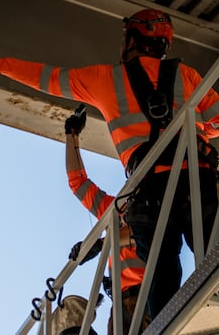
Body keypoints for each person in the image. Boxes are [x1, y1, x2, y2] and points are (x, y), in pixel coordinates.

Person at [0, 8, 219, 319]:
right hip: (196, 178)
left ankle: (170, 323)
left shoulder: (104, 79)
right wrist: (197, 133)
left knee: (161, 276)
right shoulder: (187, 76)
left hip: (149, 189)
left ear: (133, 40)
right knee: (216, 259)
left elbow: (49, 79)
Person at [63, 105, 149, 334]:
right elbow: (78, 183)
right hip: (121, 301)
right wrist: (71, 136)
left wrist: (99, 245)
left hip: (149, 294)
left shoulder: (160, 203)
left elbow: (142, 234)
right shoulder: (115, 209)